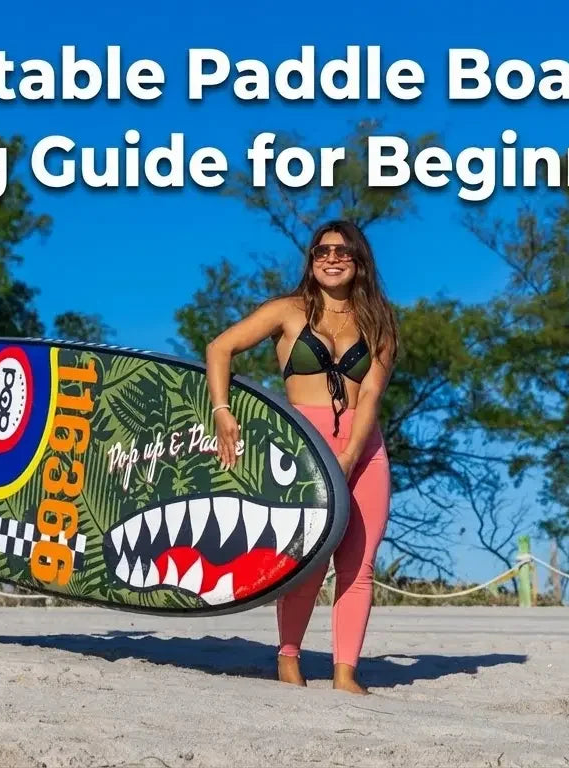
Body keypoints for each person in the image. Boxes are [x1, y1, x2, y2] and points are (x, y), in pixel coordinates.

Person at [205, 220, 398, 695]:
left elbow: (372, 390)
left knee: (359, 563)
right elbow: (220, 348)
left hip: (365, 449)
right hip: (303, 448)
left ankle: (345, 672)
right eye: (321, 252)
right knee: (308, 559)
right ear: (312, 261)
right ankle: (288, 657)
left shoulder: (379, 322)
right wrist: (222, 411)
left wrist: (353, 452)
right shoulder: (287, 311)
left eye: (342, 252)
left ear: (359, 262)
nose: (331, 259)